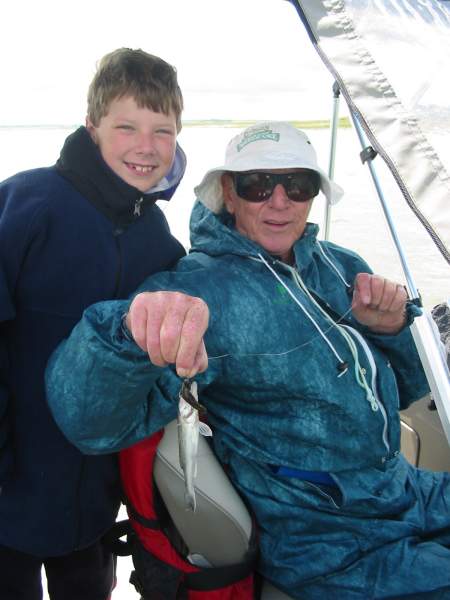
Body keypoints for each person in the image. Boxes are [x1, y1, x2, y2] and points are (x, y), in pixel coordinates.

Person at [46, 121, 450, 599]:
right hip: (330, 542)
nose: (279, 201)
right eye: (256, 185)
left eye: (297, 185)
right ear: (228, 195)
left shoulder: (340, 266)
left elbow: (410, 393)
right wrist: (129, 333)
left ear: (313, 195)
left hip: (405, 491)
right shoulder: (198, 289)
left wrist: (394, 330)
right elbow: (88, 422)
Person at [0, 48, 187, 600]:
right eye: (126, 126)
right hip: (9, 492)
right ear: (92, 125)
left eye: (163, 130)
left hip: (97, 503)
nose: (146, 147)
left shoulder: (160, 242)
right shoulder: (24, 205)